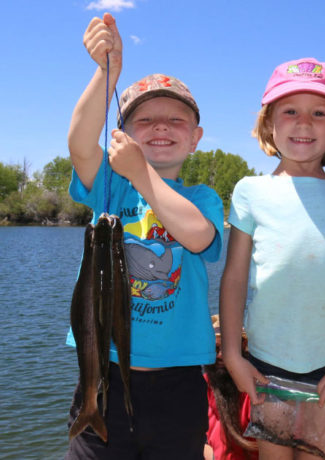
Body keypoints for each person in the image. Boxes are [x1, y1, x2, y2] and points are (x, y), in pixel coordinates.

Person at [64, 12, 224, 459]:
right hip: (104, 372)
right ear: (122, 135)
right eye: (145, 119)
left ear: (196, 138)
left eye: (175, 120)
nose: (160, 127)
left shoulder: (202, 196)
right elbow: (79, 143)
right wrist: (105, 70)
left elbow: (197, 237)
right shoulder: (110, 187)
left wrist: (141, 174)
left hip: (177, 380)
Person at [219, 57, 325, 460]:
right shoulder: (249, 191)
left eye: (319, 113)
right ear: (268, 122)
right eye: (289, 111)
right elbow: (235, 277)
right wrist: (233, 356)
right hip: (265, 367)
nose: (304, 123)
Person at [204, 315, 259, 460]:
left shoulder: (255, 388)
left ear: (243, 346)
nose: (221, 355)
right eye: (215, 349)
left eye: (228, 349)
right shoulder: (202, 385)